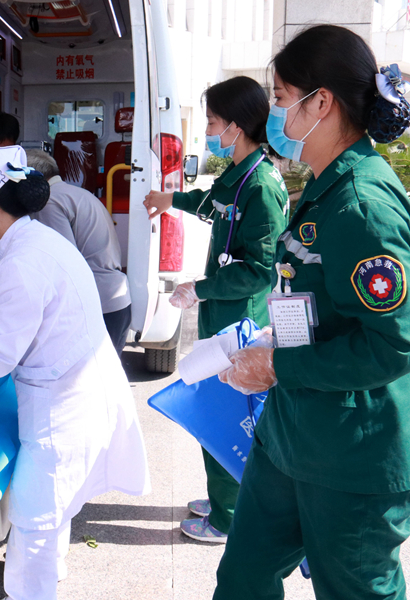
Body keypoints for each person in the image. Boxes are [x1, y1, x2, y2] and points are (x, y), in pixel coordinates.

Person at [212, 25, 410, 600]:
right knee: (243, 579)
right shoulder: (326, 185)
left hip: (351, 455)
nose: (274, 114)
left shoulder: (362, 206)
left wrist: (279, 366)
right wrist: (277, 341)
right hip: (291, 436)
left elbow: (392, 345)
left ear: (321, 103)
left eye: (279, 98)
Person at [0, 146, 150, 600]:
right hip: (83, 389)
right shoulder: (41, 242)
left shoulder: (19, 264)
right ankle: (50, 575)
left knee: (34, 524)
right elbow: (37, 312)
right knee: (53, 513)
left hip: (64, 408)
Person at [143, 76, 288, 544]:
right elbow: (212, 202)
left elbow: (259, 271)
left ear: (235, 126)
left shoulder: (260, 186)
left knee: (223, 417)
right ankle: (226, 499)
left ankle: (227, 517)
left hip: (237, 323)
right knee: (217, 409)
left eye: (211, 122)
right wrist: (169, 200)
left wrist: (199, 288)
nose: (207, 131)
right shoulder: (239, 174)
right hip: (221, 316)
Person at [25, 149, 132, 355]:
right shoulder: (79, 194)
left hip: (96, 305)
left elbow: (62, 262)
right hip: (115, 300)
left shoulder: (49, 201)